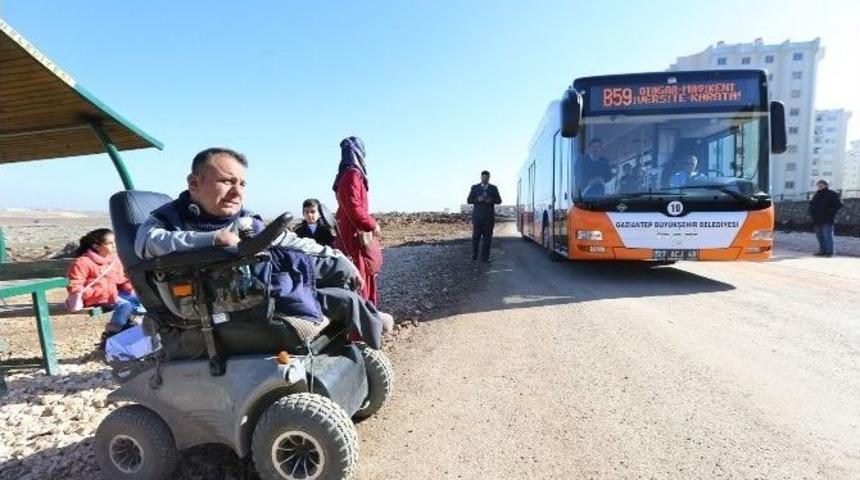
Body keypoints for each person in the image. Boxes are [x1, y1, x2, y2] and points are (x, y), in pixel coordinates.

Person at [134, 147, 392, 346]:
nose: (237, 192)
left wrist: (338, 257)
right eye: (226, 181)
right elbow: (145, 244)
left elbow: (286, 239)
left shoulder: (243, 217)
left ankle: (361, 327)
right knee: (328, 294)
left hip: (253, 287)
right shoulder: (170, 217)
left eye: (242, 184)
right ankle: (364, 319)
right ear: (194, 184)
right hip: (220, 302)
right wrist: (212, 238)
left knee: (338, 275)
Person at [333, 136, 383, 305]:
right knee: (359, 279)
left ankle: (364, 323)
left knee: (356, 278)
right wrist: (372, 223)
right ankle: (362, 327)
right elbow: (355, 208)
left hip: (349, 232)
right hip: (354, 237)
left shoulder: (345, 174)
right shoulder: (353, 174)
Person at [66, 228, 142, 334]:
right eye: (110, 243)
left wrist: (128, 286)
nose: (114, 246)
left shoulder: (114, 259)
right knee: (125, 305)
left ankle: (131, 325)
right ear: (96, 246)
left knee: (143, 298)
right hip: (96, 296)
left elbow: (121, 278)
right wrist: (81, 293)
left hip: (113, 293)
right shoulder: (83, 262)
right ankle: (112, 332)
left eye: (115, 242)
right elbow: (75, 282)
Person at [466, 170, 502, 263]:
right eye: (483, 177)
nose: (485, 179)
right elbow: (469, 200)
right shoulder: (475, 188)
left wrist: (491, 200)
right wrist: (478, 199)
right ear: (481, 177)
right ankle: (474, 255)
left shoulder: (493, 188)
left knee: (487, 240)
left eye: (486, 177)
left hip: (489, 218)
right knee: (475, 238)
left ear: (489, 178)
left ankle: (485, 258)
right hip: (477, 218)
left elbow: (499, 200)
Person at [809, 179, 843, 257]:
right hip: (817, 219)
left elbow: (839, 204)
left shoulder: (832, 194)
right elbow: (811, 205)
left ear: (826, 185)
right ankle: (822, 251)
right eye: (818, 184)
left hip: (827, 219)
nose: (819, 186)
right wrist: (811, 213)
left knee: (827, 236)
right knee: (819, 236)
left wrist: (830, 212)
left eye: (821, 184)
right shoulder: (816, 194)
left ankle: (829, 252)